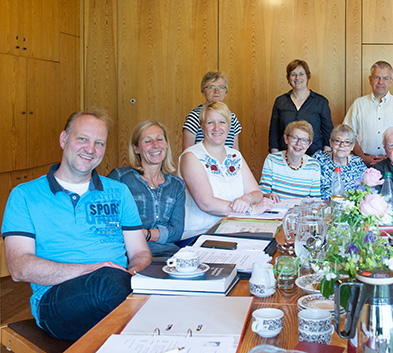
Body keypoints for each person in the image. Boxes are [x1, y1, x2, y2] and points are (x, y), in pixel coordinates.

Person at [1, 110, 151, 340]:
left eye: (99, 143)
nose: (90, 149)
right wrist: (91, 270)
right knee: (107, 283)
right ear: (64, 140)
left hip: (119, 289)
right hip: (56, 299)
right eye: (82, 139)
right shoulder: (24, 195)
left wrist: (132, 276)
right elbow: (20, 268)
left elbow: (140, 252)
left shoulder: (119, 191)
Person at [179, 102, 273, 238]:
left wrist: (247, 198)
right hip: (200, 234)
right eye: (210, 122)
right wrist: (250, 210)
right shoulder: (191, 156)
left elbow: (257, 192)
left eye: (222, 122)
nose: (217, 128)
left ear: (229, 126)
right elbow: (206, 203)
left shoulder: (235, 155)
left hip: (234, 228)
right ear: (202, 126)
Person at [108, 120, 186, 258]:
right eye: (147, 141)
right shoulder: (120, 179)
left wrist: (145, 233)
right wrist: (153, 234)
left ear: (166, 144)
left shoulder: (177, 185)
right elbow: (109, 224)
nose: (155, 145)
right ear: (136, 148)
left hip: (168, 256)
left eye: (159, 139)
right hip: (130, 255)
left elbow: (176, 231)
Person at [343, 61, 393, 167]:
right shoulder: (358, 104)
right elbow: (347, 136)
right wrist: (363, 157)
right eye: (376, 77)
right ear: (370, 80)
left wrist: (392, 157)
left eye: (385, 78)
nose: (380, 82)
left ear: (391, 81)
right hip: (363, 163)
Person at [268, 59, 334, 156]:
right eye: (293, 74)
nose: (297, 78)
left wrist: (325, 156)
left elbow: (328, 131)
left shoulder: (320, 102)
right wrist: (275, 155)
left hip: (314, 157)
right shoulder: (280, 101)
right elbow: (274, 131)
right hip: (285, 156)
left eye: (301, 74)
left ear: (307, 76)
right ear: (288, 78)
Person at [261, 120, 321, 200]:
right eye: (294, 138)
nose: (298, 144)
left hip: (301, 211)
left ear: (308, 144)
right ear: (286, 139)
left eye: (304, 140)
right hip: (276, 210)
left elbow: (315, 201)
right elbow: (262, 194)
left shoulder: (314, 165)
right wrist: (268, 196)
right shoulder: (272, 160)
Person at [182, 71, 242, 150]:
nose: (216, 91)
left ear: (226, 92)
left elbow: (235, 150)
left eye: (221, 87)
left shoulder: (232, 117)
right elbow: (187, 151)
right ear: (203, 91)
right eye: (211, 87)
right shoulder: (195, 116)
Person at [313, 124, 367, 201]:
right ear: (331, 143)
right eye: (337, 141)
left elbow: (364, 194)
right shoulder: (319, 159)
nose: (342, 145)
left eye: (347, 142)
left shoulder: (358, 165)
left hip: (349, 210)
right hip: (321, 208)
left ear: (352, 146)